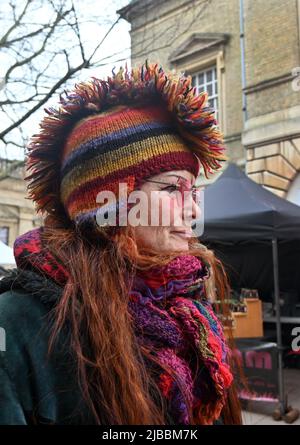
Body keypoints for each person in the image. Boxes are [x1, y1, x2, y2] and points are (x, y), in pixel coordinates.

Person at [0, 61, 242, 425]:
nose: (193, 210)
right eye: (172, 188)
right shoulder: (18, 324)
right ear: (108, 206)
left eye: (193, 191)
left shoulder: (188, 310)